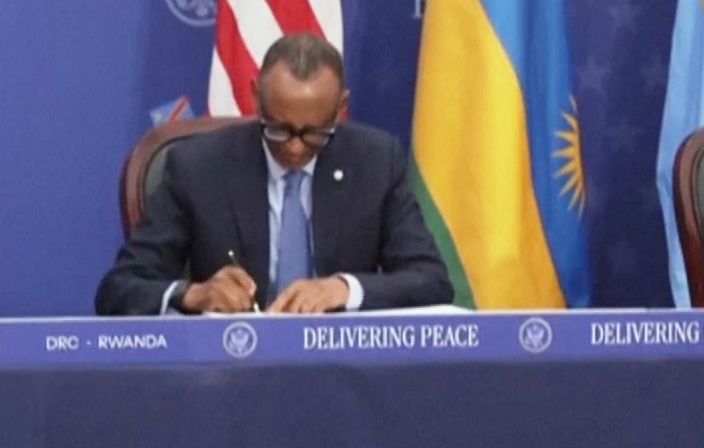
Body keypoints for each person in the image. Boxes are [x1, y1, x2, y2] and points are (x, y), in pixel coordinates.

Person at [95, 33, 454, 316]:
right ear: (256, 97)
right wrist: (193, 294)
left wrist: (343, 289)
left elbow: (431, 280)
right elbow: (120, 287)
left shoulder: (375, 161)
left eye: (314, 133)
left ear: (340, 108)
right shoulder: (198, 167)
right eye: (279, 130)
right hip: (232, 369)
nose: (295, 148)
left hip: (340, 370)